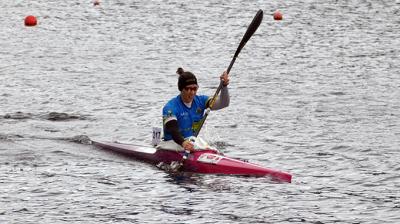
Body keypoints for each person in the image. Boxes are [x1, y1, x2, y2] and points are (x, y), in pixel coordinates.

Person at [162, 67, 230, 152]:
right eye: (188, 89)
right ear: (181, 89)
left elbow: (224, 103)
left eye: (195, 88)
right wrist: (183, 143)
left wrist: (224, 87)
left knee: (200, 143)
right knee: (198, 142)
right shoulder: (170, 107)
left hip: (191, 142)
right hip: (172, 143)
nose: (192, 92)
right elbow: (173, 130)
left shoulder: (201, 101)